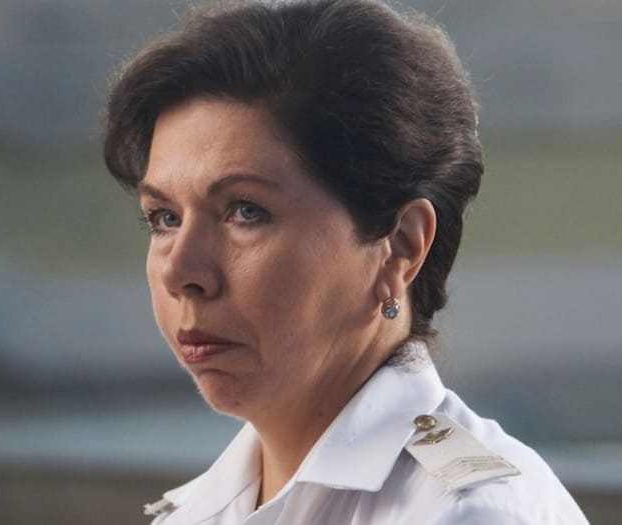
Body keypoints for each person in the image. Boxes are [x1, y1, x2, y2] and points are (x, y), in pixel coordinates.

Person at [103, 0, 589, 523]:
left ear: (400, 246)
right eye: (164, 219)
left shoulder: (470, 513)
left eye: (246, 212)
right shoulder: (195, 512)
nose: (179, 273)